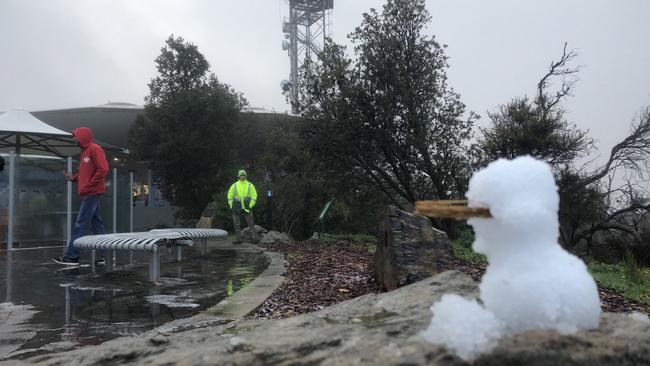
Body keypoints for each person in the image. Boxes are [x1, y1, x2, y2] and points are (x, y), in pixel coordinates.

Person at [53, 127, 109, 265]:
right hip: (89, 192)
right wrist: (73, 178)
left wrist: (90, 185)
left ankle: (72, 257)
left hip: (92, 193)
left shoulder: (94, 149)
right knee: (97, 225)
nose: (74, 139)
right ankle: (106, 256)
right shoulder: (85, 153)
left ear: (83, 136)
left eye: (75, 137)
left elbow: (103, 169)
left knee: (80, 224)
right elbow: (86, 173)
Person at [227, 169, 257, 244]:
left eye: (243, 175)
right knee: (236, 223)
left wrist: (250, 205)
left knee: (251, 223)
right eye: (241, 175)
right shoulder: (234, 185)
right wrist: (231, 205)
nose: (242, 176)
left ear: (245, 176)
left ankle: (254, 238)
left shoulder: (250, 185)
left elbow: (254, 195)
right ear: (238, 176)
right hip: (236, 207)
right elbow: (230, 195)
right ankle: (238, 239)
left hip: (247, 207)